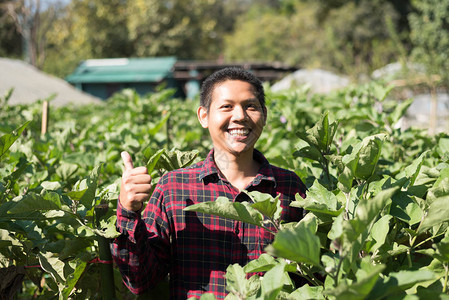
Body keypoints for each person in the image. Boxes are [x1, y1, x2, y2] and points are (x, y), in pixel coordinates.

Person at [111, 67, 307, 299]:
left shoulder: (289, 186)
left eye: (250, 106)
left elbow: (306, 276)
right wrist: (128, 211)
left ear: (263, 114)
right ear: (204, 116)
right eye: (226, 106)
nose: (240, 116)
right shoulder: (174, 188)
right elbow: (140, 279)